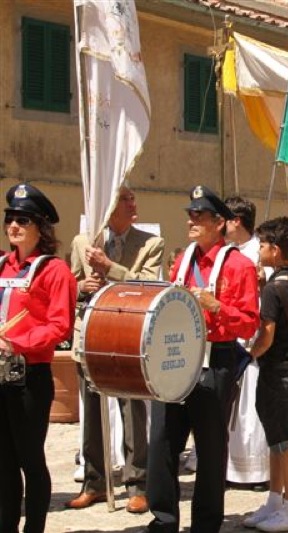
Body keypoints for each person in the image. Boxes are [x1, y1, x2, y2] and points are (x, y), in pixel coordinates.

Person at [146, 186, 259, 533]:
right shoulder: (183, 261)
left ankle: (206, 526)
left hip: (216, 360)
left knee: (210, 450)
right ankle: (163, 521)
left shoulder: (239, 265)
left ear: (220, 223)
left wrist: (217, 307)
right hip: (177, 357)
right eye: (190, 215)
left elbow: (250, 320)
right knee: (163, 442)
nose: (191, 221)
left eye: (200, 216)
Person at [67, 185, 163, 514]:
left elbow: (148, 286)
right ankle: (93, 481)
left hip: (128, 337)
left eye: (133, 197)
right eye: (125, 198)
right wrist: (82, 286)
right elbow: (71, 284)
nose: (133, 203)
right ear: (109, 206)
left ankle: (138, 483)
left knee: (133, 411)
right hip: (91, 337)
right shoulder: (83, 242)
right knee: (91, 413)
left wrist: (110, 267)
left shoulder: (150, 243)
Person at [0, 183, 77, 533]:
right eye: (10, 219)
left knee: (30, 458)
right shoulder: (2, 265)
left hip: (30, 375)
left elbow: (60, 325)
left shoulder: (54, 270)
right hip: (0, 374)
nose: (14, 226)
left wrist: (17, 343)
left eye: (23, 220)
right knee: (3, 460)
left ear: (40, 228)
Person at [243, 216, 288, 532]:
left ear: (276, 249)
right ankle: (275, 500)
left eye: (263, 244)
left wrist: (249, 354)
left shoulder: (273, 287)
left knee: (285, 441)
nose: (259, 249)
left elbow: (266, 335)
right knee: (276, 440)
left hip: (278, 371)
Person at [223, 195, 270, 491]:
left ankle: (256, 471)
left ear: (236, 221)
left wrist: (263, 279)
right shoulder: (227, 252)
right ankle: (230, 467)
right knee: (230, 407)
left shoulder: (259, 253)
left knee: (251, 405)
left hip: (252, 335)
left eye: (224, 219)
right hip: (229, 333)